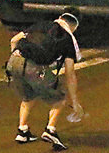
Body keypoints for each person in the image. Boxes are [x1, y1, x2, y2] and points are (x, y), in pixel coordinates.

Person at [7, 12, 84, 151]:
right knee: (60, 97)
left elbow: (14, 40)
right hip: (33, 68)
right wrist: (74, 101)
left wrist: (15, 59)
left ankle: (22, 131)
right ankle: (50, 130)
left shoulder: (42, 24)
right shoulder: (68, 40)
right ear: (74, 27)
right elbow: (70, 73)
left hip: (14, 61)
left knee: (28, 96)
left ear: (61, 18)